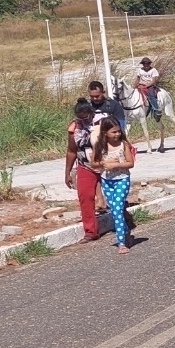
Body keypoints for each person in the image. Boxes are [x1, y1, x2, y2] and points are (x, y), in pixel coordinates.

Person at [64, 99, 105, 242]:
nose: (83, 120)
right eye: (79, 118)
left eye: (85, 117)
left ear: (91, 112)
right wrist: (67, 173)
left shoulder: (104, 122)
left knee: (113, 195)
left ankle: (122, 221)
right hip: (85, 165)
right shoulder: (74, 129)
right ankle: (90, 231)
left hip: (107, 164)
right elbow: (71, 151)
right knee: (85, 197)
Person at [93, 117, 137, 253]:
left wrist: (117, 164)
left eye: (118, 131)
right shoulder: (99, 145)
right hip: (107, 181)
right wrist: (103, 163)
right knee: (114, 210)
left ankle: (121, 242)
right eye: (113, 132)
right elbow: (93, 163)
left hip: (122, 179)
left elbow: (131, 163)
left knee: (117, 209)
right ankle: (125, 231)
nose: (117, 134)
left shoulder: (123, 144)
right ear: (105, 132)